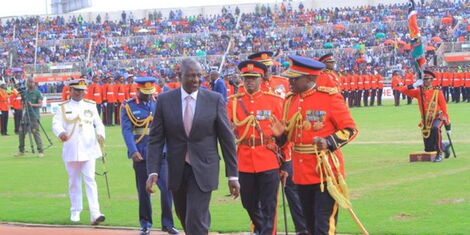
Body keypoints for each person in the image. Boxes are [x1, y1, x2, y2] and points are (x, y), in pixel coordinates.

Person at [146, 58, 240, 235]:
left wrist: (232, 175)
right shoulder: (165, 101)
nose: (196, 80)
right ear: (179, 76)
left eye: (199, 75)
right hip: (177, 169)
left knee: (196, 219)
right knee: (185, 218)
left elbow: (227, 139)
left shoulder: (214, 99)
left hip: (204, 168)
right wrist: (153, 171)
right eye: (191, 76)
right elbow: (156, 139)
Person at [270, 55, 358, 234]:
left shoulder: (330, 97)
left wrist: (328, 142)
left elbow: (350, 130)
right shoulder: (290, 100)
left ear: (310, 78)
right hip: (301, 174)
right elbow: (289, 137)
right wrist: (280, 137)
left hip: (325, 173)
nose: (290, 82)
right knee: (309, 226)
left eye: (295, 78)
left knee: (323, 228)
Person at [227, 60, 284, 234]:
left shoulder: (274, 101)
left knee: (269, 205)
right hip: (244, 159)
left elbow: (283, 132)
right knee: (248, 202)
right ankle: (261, 228)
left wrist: (285, 161)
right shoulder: (233, 102)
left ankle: (266, 232)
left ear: (261, 78)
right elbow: (227, 128)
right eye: (246, 78)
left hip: (267, 158)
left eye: (254, 78)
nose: (250, 81)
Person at [121, 77, 179, 235]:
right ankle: (145, 223)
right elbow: (126, 131)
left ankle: (168, 224)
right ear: (138, 90)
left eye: (150, 92)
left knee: (167, 188)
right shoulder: (129, 106)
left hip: (161, 153)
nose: (148, 95)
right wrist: (133, 151)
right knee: (143, 190)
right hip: (141, 154)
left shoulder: (159, 103)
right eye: (145, 92)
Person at [52, 79, 106, 225]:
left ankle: (95, 213)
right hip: (71, 149)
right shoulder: (63, 107)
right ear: (70, 90)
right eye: (77, 90)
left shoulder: (91, 105)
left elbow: (98, 123)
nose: (80, 92)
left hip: (88, 149)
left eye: (82, 90)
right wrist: (61, 132)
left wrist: (101, 135)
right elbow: (56, 123)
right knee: (74, 182)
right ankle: (75, 210)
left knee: (90, 180)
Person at [399, 70, 451, 162]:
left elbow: (444, 108)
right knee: (429, 149)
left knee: (435, 128)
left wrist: (447, 124)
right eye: (424, 79)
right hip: (426, 120)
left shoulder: (437, 92)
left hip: (437, 117)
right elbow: (402, 90)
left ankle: (439, 153)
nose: (425, 81)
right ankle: (444, 145)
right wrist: (413, 85)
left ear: (432, 80)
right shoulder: (419, 92)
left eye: (427, 79)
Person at [14, 77, 44, 157]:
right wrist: (23, 105)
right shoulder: (25, 93)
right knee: (21, 133)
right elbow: (22, 104)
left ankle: (40, 151)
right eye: (29, 82)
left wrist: (32, 105)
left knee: (35, 132)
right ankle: (21, 151)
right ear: (27, 83)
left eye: (32, 82)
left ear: (34, 83)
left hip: (34, 116)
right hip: (25, 115)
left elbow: (40, 105)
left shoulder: (37, 93)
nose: (30, 83)